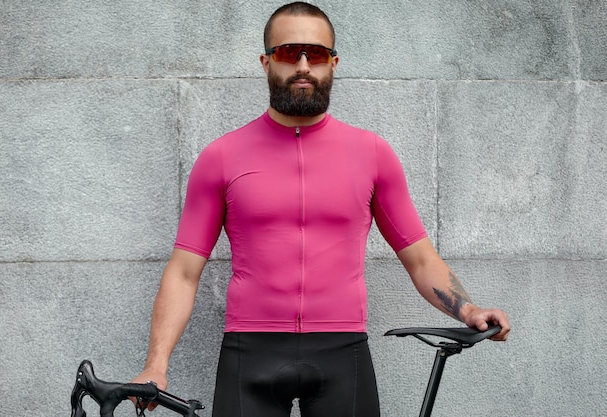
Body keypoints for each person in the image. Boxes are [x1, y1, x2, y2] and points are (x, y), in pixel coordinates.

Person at [133, 2, 511, 416]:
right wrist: (156, 364)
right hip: (251, 352)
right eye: (286, 52)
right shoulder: (221, 157)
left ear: (333, 62)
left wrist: (469, 309)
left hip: (341, 352)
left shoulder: (372, 154)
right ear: (265, 62)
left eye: (315, 54)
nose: (302, 65)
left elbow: (420, 259)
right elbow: (184, 271)